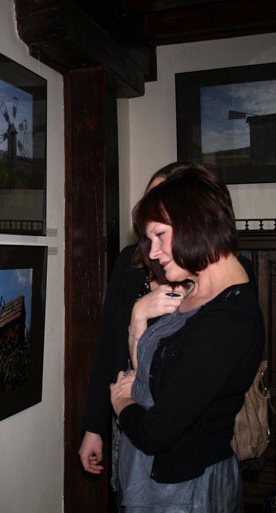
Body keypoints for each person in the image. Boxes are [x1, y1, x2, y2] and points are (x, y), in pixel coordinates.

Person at [110, 164, 264, 512]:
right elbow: (156, 378)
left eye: (160, 235)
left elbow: (157, 431)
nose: (151, 252)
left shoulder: (229, 321)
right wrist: (137, 320)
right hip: (153, 477)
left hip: (185, 489)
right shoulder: (194, 290)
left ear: (196, 222)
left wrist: (121, 403)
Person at [79, 162, 193, 481]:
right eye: (149, 200)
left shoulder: (208, 273)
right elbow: (107, 349)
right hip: (127, 412)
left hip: (183, 429)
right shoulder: (129, 262)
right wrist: (93, 427)